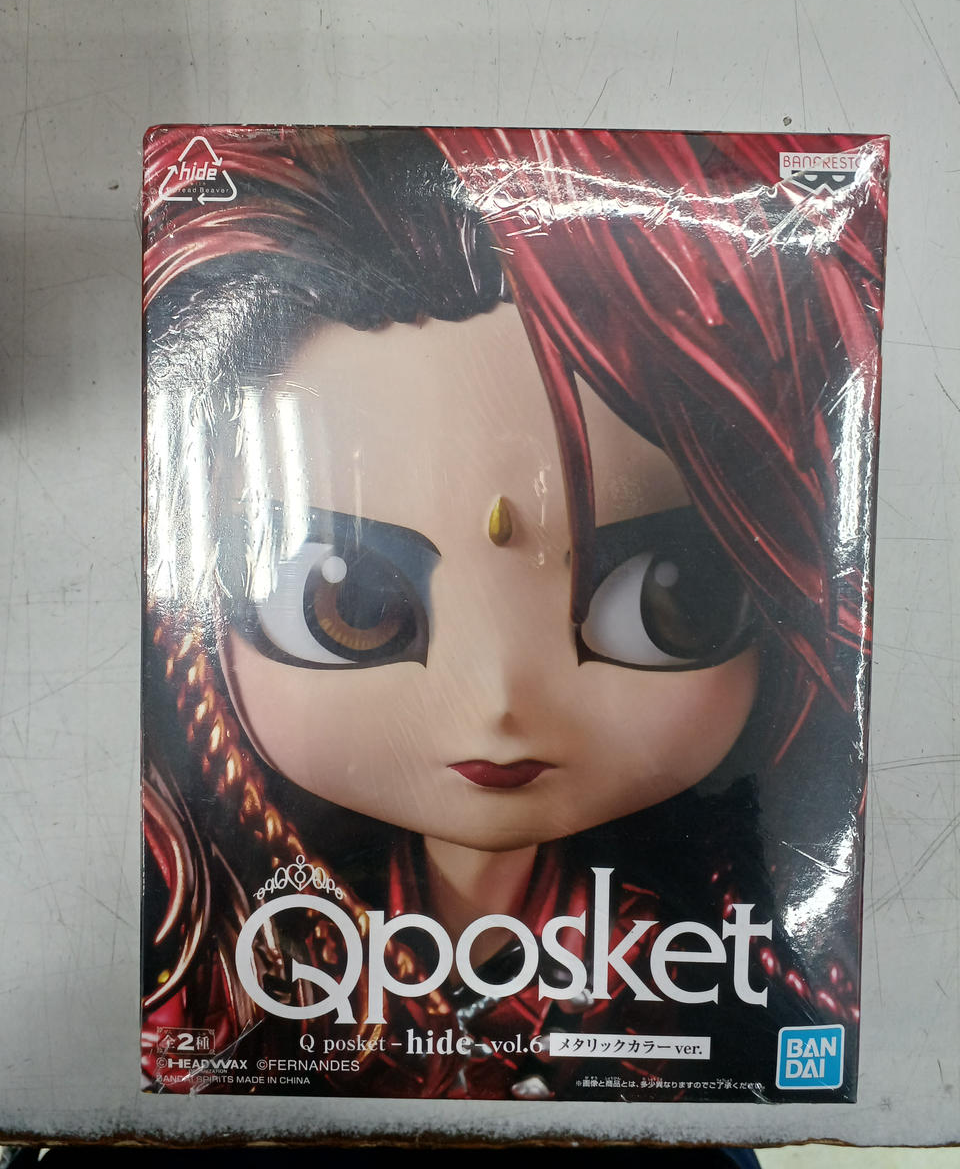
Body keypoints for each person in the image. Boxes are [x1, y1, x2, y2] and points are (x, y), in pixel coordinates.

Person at [141, 126, 887, 1100]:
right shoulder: (219, 947)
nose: (498, 698)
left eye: (667, 597)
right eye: (352, 605)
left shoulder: (720, 962)